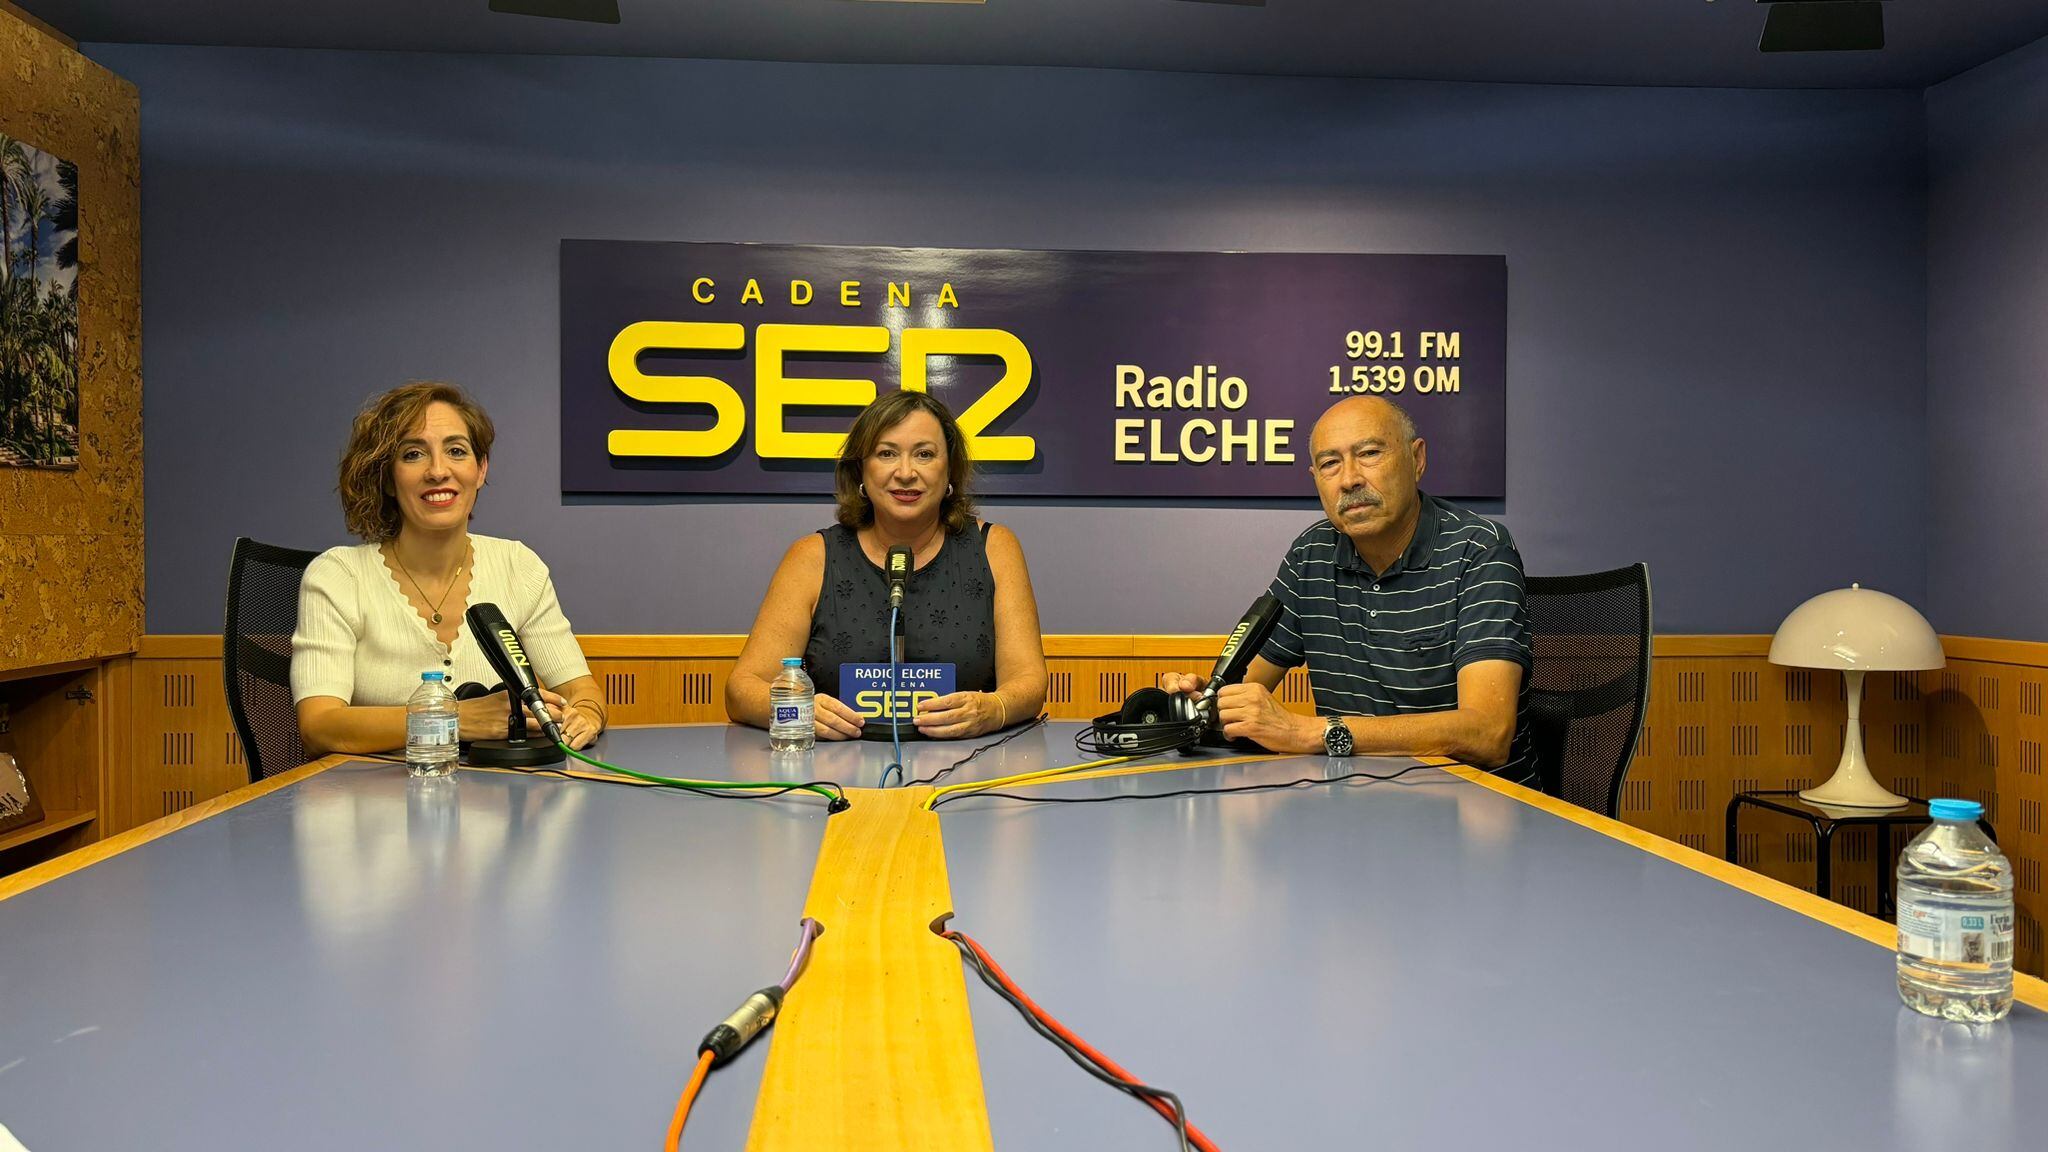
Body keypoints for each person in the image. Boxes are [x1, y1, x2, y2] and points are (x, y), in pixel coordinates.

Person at [1164, 395, 1533, 779]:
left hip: (1473, 808)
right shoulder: (1311, 555)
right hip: (1351, 803)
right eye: (1330, 464)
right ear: (1316, 481)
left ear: (1417, 459)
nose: (1349, 479)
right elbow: (1247, 688)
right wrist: (1205, 704)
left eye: (1370, 453)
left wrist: (1309, 731)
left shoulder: (1479, 549)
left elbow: (1489, 733)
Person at [292, 382, 605, 756]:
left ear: (480, 469)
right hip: (373, 802)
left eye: (457, 451)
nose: (438, 471)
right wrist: (456, 717)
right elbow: (319, 726)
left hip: (497, 804)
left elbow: (580, 689)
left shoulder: (519, 566)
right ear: (388, 479)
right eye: (412, 455)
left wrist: (584, 716)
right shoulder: (337, 576)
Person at [727, 390, 1048, 741]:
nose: (906, 473)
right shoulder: (811, 556)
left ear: (950, 471)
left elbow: (1029, 683)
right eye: (886, 454)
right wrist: (800, 710)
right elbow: (742, 690)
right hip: (836, 774)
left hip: (968, 772)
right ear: (861, 470)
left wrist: (992, 710)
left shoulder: (996, 547)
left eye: (924, 454)